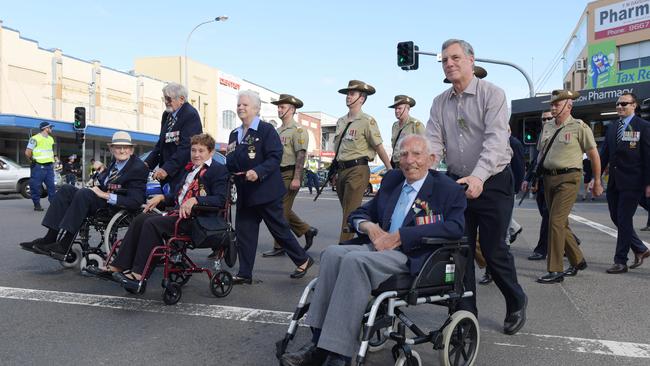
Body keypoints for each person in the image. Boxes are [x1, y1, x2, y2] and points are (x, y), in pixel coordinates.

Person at [279, 135, 466, 366]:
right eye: (404, 155)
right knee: (331, 254)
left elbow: (456, 227)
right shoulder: (393, 181)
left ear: (431, 159)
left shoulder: (446, 188)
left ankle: (338, 355)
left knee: (354, 262)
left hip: (411, 253)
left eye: (417, 154)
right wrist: (369, 226)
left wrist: (400, 236)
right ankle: (317, 344)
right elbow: (361, 213)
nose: (410, 161)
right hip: (378, 247)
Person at [426, 39, 527, 335]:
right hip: (458, 183)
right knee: (459, 251)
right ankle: (465, 313)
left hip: (493, 181)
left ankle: (516, 299)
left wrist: (479, 177)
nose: (449, 63)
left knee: (494, 251)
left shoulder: (492, 95)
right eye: (444, 59)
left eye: (455, 57)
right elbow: (434, 143)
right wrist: (425, 173)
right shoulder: (439, 102)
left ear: (471, 60)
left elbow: (496, 142)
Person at [86, 133, 229, 287]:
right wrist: (161, 198)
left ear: (211, 152)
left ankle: (138, 274)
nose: (196, 154)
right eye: (194, 150)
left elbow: (220, 200)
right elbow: (176, 197)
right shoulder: (189, 170)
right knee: (141, 218)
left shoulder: (218, 170)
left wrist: (196, 200)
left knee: (152, 224)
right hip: (179, 215)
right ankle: (118, 265)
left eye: (201, 151)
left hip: (197, 219)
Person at [226, 90, 313, 285]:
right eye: (239, 104)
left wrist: (258, 171)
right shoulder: (235, 133)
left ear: (256, 109)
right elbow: (231, 159)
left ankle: (303, 259)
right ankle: (244, 273)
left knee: (279, 229)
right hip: (245, 192)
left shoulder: (266, 130)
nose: (240, 107)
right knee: (244, 233)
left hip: (265, 190)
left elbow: (275, 156)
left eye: (245, 105)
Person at [19, 131, 148, 258]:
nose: (121, 150)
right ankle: (50, 237)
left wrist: (105, 195)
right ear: (111, 149)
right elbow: (108, 182)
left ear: (131, 150)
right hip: (102, 200)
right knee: (66, 189)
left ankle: (64, 245)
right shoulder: (115, 163)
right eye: (118, 147)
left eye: (125, 148)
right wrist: (100, 177)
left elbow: (136, 201)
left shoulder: (138, 168)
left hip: (116, 206)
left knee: (84, 194)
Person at [535, 89, 603, 284]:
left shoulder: (580, 127)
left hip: (569, 178)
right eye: (552, 104)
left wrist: (597, 181)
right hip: (548, 178)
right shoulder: (547, 126)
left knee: (555, 221)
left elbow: (593, 155)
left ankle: (555, 270)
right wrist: (533, 177)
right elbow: (541, 154)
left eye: (557, 104)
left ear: (568, 105)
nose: (553, 107)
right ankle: (578, 259)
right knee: (560, 223)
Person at [333, 80, 392, 242]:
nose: (348, 96)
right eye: (347, 93)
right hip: (341, 170)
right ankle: (367, 236)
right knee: (348, 211)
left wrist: (389, 169)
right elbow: (338, 149)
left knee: (350, 212)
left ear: (361, 98)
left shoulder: (367, 121)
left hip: (358, 170)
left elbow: (378, 146)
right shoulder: (340, 121)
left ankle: (342, 248)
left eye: (352, 94)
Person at [522, 112, 584, 262]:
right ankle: (572, 242)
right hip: (543, 182)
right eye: (543, 119)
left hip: (559, 180)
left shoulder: (570, 129)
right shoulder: (543, 134)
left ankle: (544, 252)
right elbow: (537, 160)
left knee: (551, 218)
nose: (546, 120)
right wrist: (528, 178)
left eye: (549, 118)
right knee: (550, 217)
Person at [600, 92, 650, 274]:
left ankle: (620, 261)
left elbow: (648, 157)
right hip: (614, 181)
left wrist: (648, 183)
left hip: (633, 182)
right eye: (618, 104)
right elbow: (604, 154)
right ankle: (640, 248)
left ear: (634, 105)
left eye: (624, 104)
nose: (620, 107)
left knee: (623, 218)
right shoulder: (613, 128)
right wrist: (593, 177)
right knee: (616, 217)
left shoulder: (643, 127)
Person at [263, 94, 318, 257]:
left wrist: (296, 177)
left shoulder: (298, 130)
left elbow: (300, 154)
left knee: (279, 212)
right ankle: (307, 230)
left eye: (283, 106)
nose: (279, 109)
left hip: (290, 173)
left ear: (292, 109)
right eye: (278, 107)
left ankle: (280, 246)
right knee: (278, 208)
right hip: (276, 175)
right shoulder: (277, 131)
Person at [145, 82, 202, 185]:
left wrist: (167, 169)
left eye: (169, 99)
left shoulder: (190, 115)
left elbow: (186, 148)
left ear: (181, 99)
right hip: (166, 175)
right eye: (164, 98)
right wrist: (147, 164)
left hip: (182, 174)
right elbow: (160, 144)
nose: (166, 102)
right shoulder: (167, 114)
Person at [25, 121, 57, 211]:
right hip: (38, 167)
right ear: (45, 128)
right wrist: (32, 161)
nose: (51, 129)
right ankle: (37, 205)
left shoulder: (51, 139)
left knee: (52, 187)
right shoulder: (34, 138)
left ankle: (54, 205)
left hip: (49, 167)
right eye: (50, 127)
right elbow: (27, 153)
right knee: (35, 186)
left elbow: (49, 151)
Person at [388, 95, 425, 169]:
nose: (396, 111)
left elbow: (425, 147)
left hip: (410, 165)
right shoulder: (395, 126)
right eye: (395, 109)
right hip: (396, 164)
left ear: (407, 108)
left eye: (399, 108)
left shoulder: (416, 125)